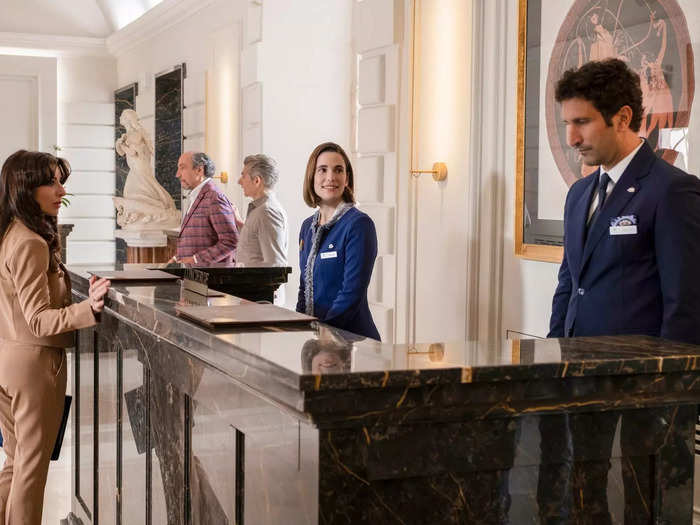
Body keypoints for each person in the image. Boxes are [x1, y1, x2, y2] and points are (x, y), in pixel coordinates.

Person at [546, 58, 700, 523]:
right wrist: (553, 359)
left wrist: (670, 392)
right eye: (567, 123)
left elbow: (686, 304)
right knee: (583, 492)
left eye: (582, 122)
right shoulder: (578, 194)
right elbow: (570, 284)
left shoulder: (672, 191)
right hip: (578, 375)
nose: (572, 137)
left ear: (624, 117)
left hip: (646, 386)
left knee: (645, 502)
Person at [0, 150, 110, 524]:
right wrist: (89, 309)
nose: (61, 190)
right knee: (31, 470)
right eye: (52, 181)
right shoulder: (29, 241)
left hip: (9, 360)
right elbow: (39, 320)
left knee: (16, 463)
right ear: (27, 188)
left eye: (61, 181)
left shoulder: (10, 232)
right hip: (34, 365)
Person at [296, 142, 380, 340]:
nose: (330, 177)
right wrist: (297, 329)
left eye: (338, 170)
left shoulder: (358, 224)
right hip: (317, 342)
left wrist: (324, 334)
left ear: (347, 179)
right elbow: (304, 289)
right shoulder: (307, 227)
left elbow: (351, 292)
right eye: (322, 170)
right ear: (312, 176)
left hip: (350, 342)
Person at [171, 151, 239, 264]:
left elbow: (231, 241)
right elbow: (195, 240)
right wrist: (176, 259)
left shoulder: (214, 198)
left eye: (182, 168)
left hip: (210, 278)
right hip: (194, 277)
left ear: (199, 170)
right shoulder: (197, 195)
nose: (177, 174)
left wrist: (196, 260)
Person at [234, 154, 288, 266]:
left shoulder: (267, 212)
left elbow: (275, 264)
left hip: (256, 284)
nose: (239, 181)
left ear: (257, 181)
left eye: (243, 176)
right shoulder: (260, 210)